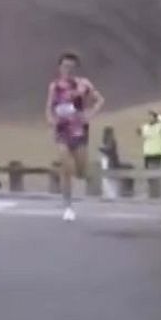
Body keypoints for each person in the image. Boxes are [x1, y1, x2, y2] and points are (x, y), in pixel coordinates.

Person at [45, 50, 104, 221]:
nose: (68, 70)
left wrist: (90, 114)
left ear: (76, 68)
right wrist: (51, 120)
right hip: (62, 129)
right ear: (59, 67)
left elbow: (100, 100)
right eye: (65, 66)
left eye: (71, 67)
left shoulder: (83, 84)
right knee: (65, 167)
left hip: (79, 129)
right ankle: (68, 205)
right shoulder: (54, 86)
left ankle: (83, 172)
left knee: (81, 170)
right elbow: (49, 107)